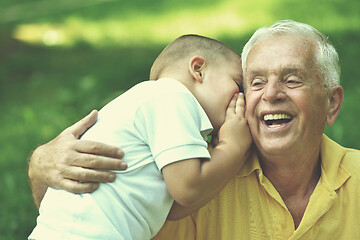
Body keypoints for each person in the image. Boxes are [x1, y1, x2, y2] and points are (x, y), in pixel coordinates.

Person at [28, 20, 360, 239]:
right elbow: (77, 212)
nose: (269, 95)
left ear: (331, 103)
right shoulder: (201, 163)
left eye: (292, 80)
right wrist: (40, 167)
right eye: (253, 83)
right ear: (197, 70)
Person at [28, 34, 252, 240]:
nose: (242, 96)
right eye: (237, 83)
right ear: (198, 69)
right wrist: (233, 146)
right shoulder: (172, 96)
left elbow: (174, 208)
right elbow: (188, 188)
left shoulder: (154, 105)